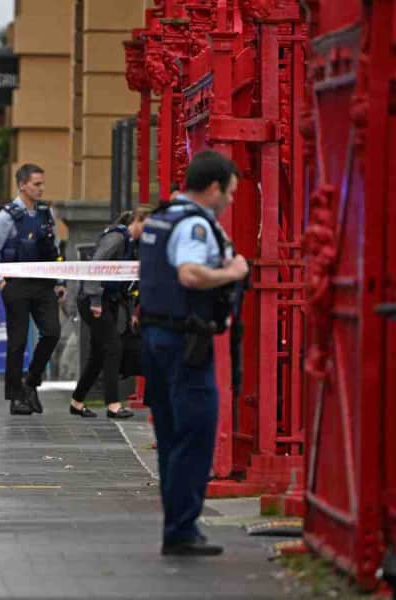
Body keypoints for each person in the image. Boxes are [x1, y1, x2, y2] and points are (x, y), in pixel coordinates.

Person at [139, 150, 249, 556]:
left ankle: (177, 526)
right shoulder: (195, 225)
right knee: (196, 431)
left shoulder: (161, 216)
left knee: (170, 435)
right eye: (231, 192)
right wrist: (233, 273)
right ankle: (183, 528)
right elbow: (189, 273)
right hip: (185, 343)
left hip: (155, 338)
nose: (231, 201)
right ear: (215, 188)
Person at [0, 163, 66, 415]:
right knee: (17, 343)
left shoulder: (45, 212)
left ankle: (30, 382)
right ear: (22, 185)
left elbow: (54, 249)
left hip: (43, 283)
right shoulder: (6, 216)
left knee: (52, 332)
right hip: (17, 284)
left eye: (42, 183)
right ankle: (15, 397)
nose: (41, 189)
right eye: (36, 184)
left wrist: (60, 281)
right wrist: (1, 283)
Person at [70, 207, 151, 419]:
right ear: (138, 221)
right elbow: (97, 265)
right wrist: (95, 300)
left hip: (111, 300)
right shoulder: (117, 237)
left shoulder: (132, 243)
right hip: (94, 300)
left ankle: (77, 402)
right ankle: (113, 404)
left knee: (98, 354)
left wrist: (133, 310)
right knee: (113, 347)